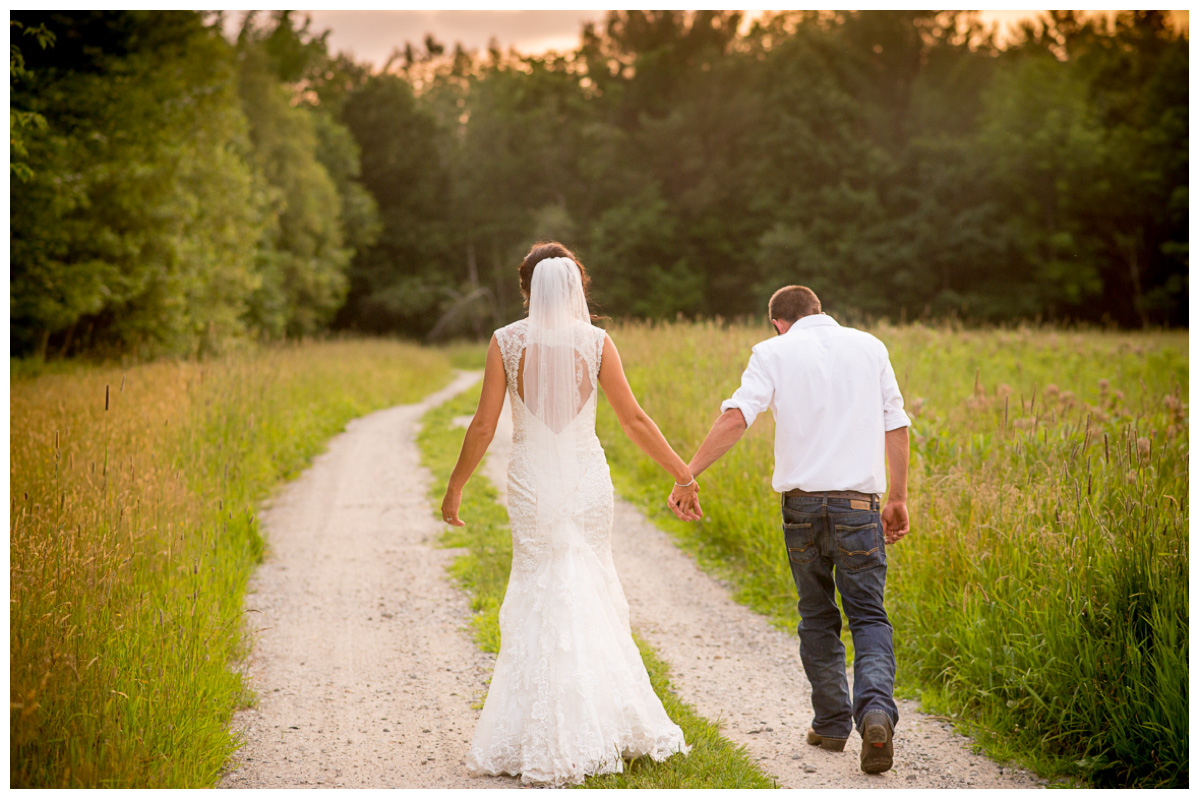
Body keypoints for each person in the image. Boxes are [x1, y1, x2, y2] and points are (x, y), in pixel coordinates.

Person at [440, 242, 694, 786]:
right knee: (588, 587)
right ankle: (603, 722)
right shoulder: (597, 343)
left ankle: (543, 728)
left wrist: (456, 486)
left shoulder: (505, 342)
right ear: (577, 287)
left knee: (540, 588)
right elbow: (635, 421)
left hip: (533, 480)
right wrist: (683, 472)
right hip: (584, 480)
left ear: (526, 288)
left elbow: (484, 426)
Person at [669, 285, 910, 775]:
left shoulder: (771, 351)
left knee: (817, 614)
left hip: (801, 508)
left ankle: (831, 723)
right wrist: (900, 498)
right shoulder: (871, 346)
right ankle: (876, 712)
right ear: (819, 311)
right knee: (868, 616)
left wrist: (687, 475)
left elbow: (737, 417)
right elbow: (896, 423)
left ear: (778, 321)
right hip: (859, 505)